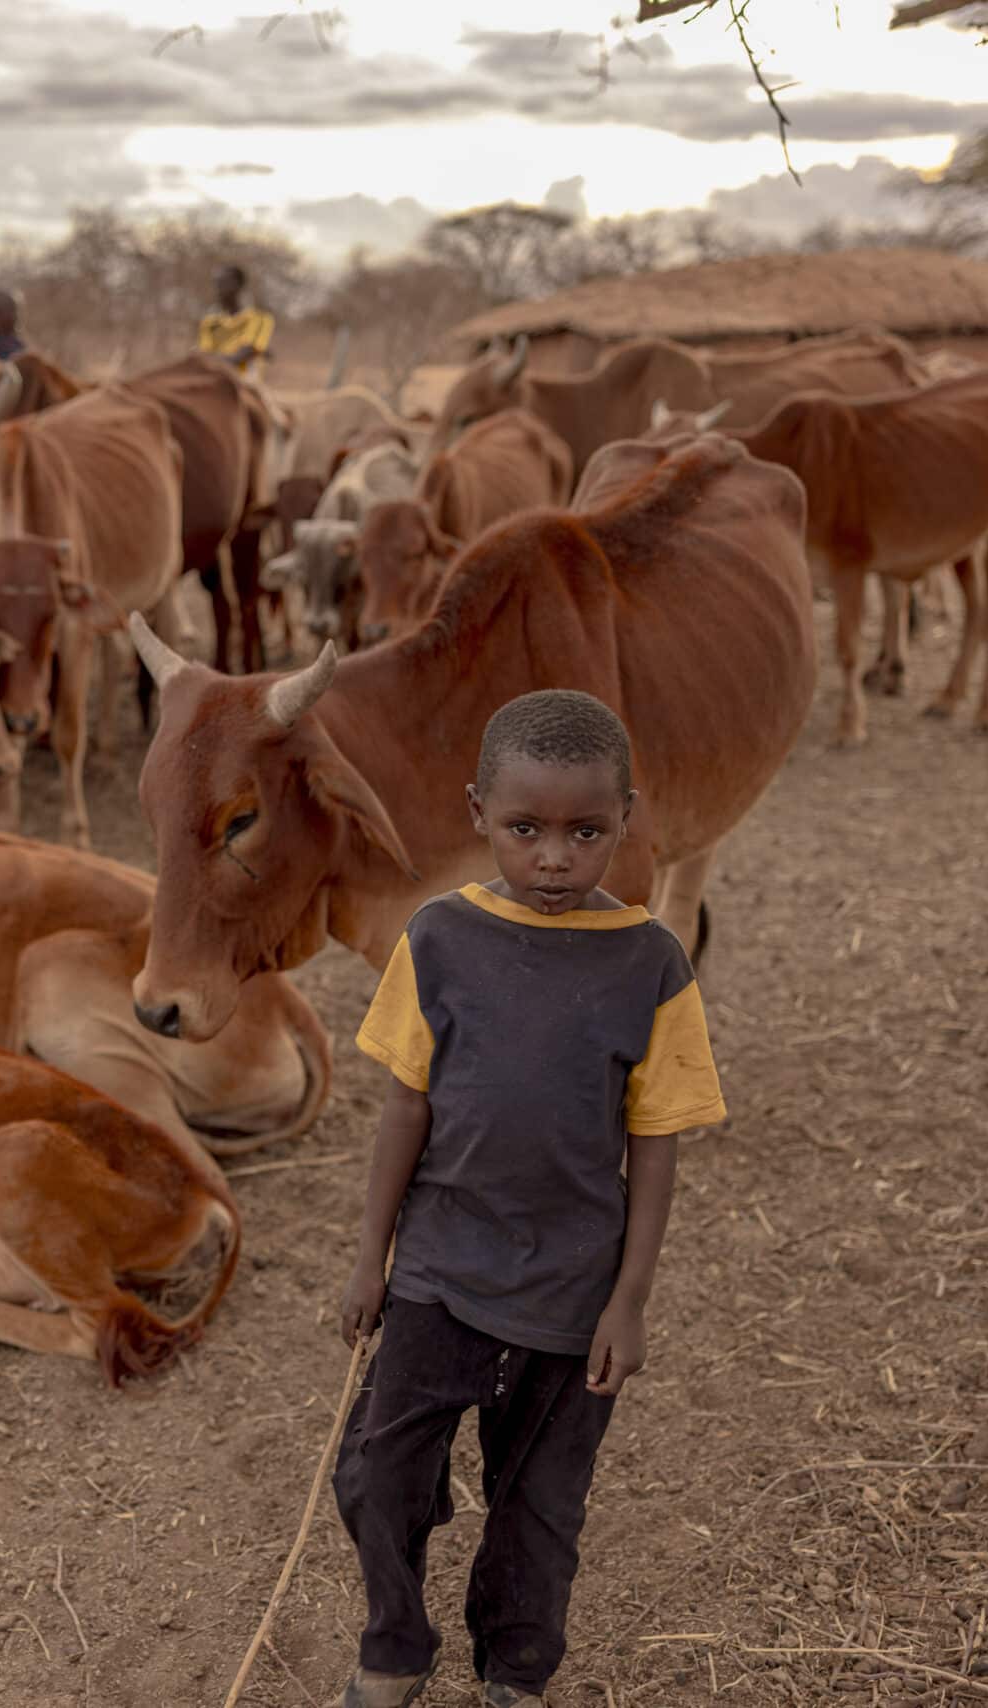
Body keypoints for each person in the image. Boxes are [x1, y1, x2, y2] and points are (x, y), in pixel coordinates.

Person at [333, 688, 725, 1708]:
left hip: (569, 1290)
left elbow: (655, 1142)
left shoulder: (652, 964)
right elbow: (401, 1111)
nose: (553, 857)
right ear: (477, 813)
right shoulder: (438, 941)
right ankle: (394, 1644)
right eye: (525, 829)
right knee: (376, 1473)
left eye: (584, 831)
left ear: (627, 819)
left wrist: (628, 1299)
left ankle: (515, 1670)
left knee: (540, 1504)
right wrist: (369, 1259)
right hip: (437, 1268)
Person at [196, 263, 273, 376]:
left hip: (243, 378)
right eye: (217, 284)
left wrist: (211, 359)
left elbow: (245, 354)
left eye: (223, 283)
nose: (219, 289)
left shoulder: (260, 319)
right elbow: (204, 353)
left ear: (239, 285)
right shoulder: (210, 322)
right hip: (214, 375)